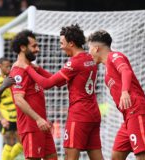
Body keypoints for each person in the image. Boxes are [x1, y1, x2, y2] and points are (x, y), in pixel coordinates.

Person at [19, 24, 103, 160]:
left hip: (79, 115)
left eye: (61, 43)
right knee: (97, 157)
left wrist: (27, 68)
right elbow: (59, 82)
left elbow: (47, 84)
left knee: (70, 157)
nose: (60, 46)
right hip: (93, 114)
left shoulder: (74, 63)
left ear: (71, 43)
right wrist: (38, 69)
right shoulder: (89, 59)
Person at [87, 30, 145, 160]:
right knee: (116, 156)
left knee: (143, 154)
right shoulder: (107, 67)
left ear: (96, 48)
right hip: (128, 116)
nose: (89, 53)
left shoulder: (115, 56)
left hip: (137, 110)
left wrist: (125, 91)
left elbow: (126, 71)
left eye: (89, 49)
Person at [9, 30, 58, 160]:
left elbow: (54, 81)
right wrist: (38, 119)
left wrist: (35, 68)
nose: (38, 49)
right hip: (31, 126)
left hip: (42, 125)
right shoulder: (18, 72)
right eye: (34, 46)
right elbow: (18, 100)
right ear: (23, 47)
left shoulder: (31, 68)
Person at [0, 57, 23, 160]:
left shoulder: (13, 79)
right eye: (6, 66)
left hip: (16, 117)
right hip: (5, 117)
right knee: (9, 143)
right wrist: (2, 118)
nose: (9, 67)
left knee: (22, 143)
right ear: (0, 67)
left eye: (10, 65)